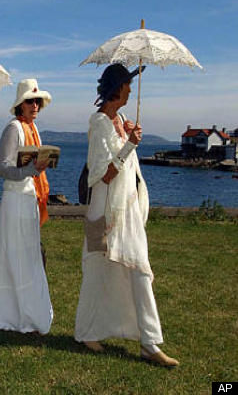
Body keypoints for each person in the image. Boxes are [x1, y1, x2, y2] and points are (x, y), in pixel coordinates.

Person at [74, 63, 179, 367]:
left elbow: (124, 169)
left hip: (126, 211)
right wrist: (130, 145)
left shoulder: (120, 121)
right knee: (96, 272)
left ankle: (149, 342)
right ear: (117, 88)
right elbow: (103, 174)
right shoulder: (99, 124)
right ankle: (86, 332)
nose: (131, 90)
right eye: (128, 85)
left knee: (139, 271)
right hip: (104, 212)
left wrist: (129, 138)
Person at [0, 79, 53, 334]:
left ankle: (27, 310)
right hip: (15, 199)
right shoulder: (14, 129)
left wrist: (38, 168)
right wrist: (29, 170)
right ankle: (13, 312)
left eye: (38, 102)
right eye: (30, 101)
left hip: (29, 198)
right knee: (16, 255)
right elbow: (2, 167)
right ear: (20, 105)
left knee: (28, 255)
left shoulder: (33, 129)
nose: (35, 106)